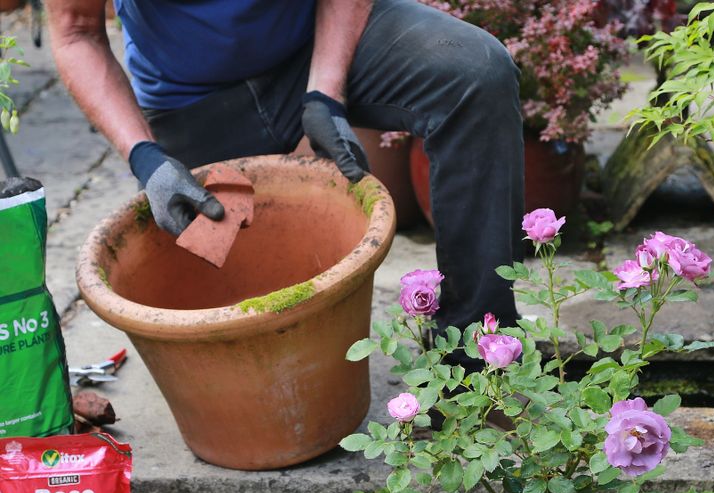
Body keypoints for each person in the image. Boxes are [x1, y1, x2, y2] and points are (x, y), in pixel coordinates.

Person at [47, 0, 524, 368]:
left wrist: (325, 94)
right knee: (225, 297)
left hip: (313, 44)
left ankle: (479, 363)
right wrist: (146, 158)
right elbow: (76, 33)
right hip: (192, 99)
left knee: (475, 74)